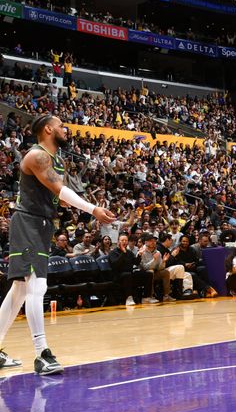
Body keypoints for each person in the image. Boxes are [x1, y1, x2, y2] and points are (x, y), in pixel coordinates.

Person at [0, 114, 115, 374]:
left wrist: (74, 202)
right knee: (37, 285)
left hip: (42, 223)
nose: (65, 128)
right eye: (61, 125)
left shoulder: (57, 161)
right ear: (49, 129)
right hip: (28, 221)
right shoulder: (37, 155)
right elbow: (61, 191)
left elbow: (58, 196)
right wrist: (92, 208)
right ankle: (42, 353)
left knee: (19, 290)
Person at [108, 233, 157, 306]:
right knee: (127, 275)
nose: (124, 242)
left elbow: (136, 262)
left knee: (148, 274)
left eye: (126, 240)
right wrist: (123, 253)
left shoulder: (129, 252)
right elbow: (115, 265)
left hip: (130, 274)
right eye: (122, 240)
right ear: (118, 242)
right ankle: (129, 298)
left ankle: (146, 297)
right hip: (118, 276)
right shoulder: (113, 252)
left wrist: (140, 255)